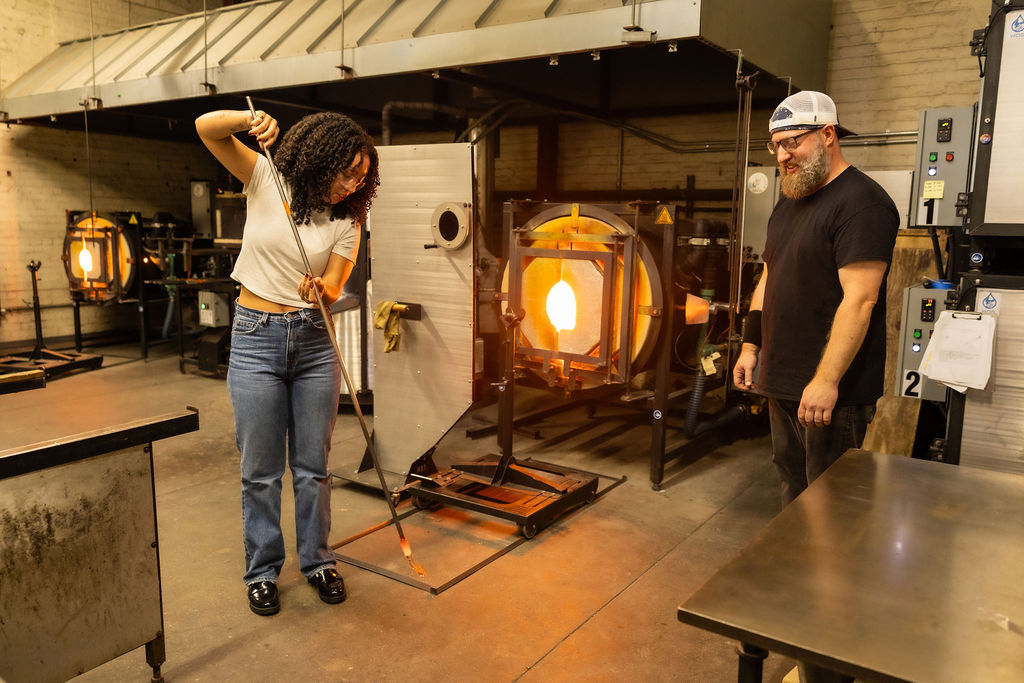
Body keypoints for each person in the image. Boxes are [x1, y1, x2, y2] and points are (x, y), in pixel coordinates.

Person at [196, 108, 379, 616]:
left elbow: (337, 284)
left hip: (314, 340)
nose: (350, 184)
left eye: (361, 177)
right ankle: (262, 571)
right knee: (260, 469)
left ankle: (318, 561)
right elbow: (206, 128)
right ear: (321, 158)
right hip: (256, 338)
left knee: (312, 467)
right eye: (346, 171)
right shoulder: (264, 175)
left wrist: (322, 288)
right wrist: (252, 118)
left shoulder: (349, 218)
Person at [733, 91, 898, 507]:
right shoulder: (788, 205)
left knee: (831, 503)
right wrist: (751, 346)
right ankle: (798, 570)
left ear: (828, 135)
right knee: (791, 485)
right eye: (776, 145)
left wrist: (825, 382)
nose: (783, 155)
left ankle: (830, 574)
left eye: (794, 141)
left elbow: (860, 300)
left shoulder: (862, 203)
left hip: (831, 392)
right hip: (783, 378)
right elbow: (770, 276)